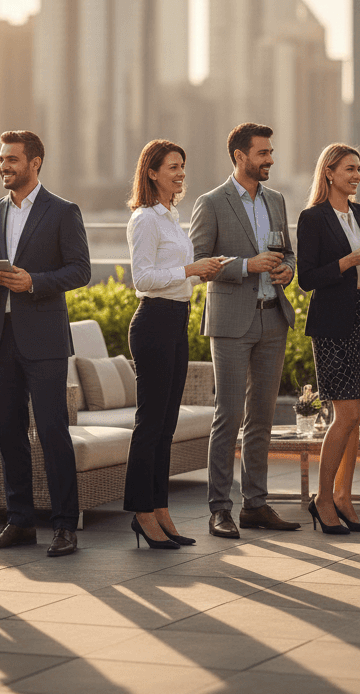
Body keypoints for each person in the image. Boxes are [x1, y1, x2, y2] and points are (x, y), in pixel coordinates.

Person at [0, 130, 90, 558]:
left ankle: (63, 525)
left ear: (35, 163)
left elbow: (80, 270)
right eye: (1, 160)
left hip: (45, 340)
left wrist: (34, 281)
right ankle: (18, 521)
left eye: (12, 160)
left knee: (54, 431)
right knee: (9, 433)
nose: (4, 166)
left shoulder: (62, 211)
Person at [189, 122, 300, 538]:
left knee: (262, 417)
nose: (270, 159)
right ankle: (220, 508)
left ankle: (255, 504)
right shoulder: (211, 202)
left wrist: (288, 270)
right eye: (262, 153)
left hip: (273, 316)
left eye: (270, 152)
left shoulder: (276, 199)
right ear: (240, 156)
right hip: (231, 321)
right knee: (229, 415)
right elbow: (200, 261)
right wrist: (246, 266)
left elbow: (287, 251)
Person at [124, 140, 225, 548]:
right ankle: (141, 512)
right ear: (151, 172)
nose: (180, 172)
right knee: (150, 425)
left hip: (176, 321)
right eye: (172, 166)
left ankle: (160, 509)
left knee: (166, 426)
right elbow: (143, 279)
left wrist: (201, 273)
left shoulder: (172, 218)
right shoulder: (146, 219)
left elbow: (173, 274)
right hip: (153, 323)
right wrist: (190, 268)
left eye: (182, 165)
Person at [296, 144, 360, 535]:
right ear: (329, 172)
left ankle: (344, 497)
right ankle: (322, 498)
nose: (357, 175)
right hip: (332, 326)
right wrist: (349, 262)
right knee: (344, 415)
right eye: (350, 168)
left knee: (356, 417)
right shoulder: (312, 218)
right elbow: (307, 279)